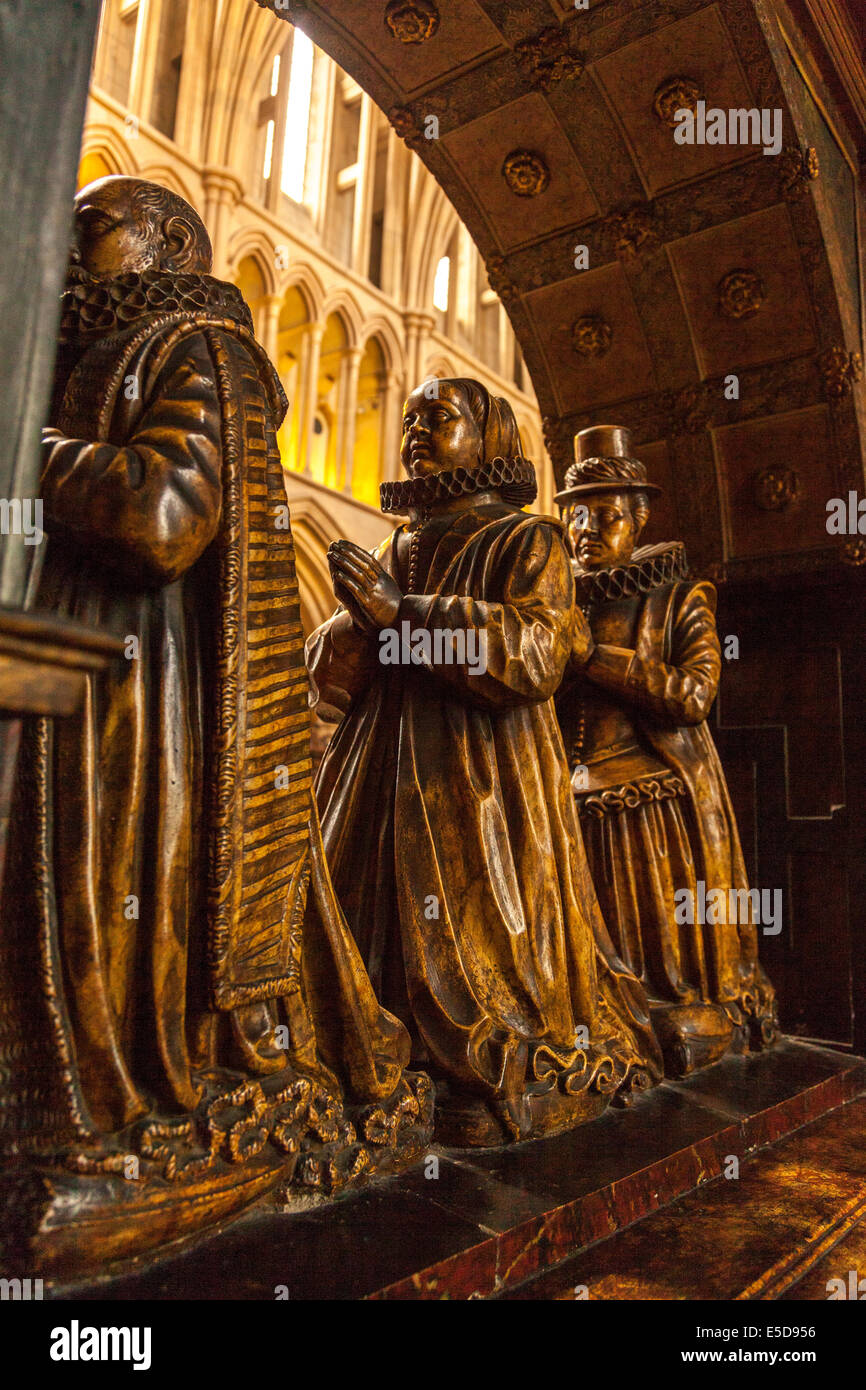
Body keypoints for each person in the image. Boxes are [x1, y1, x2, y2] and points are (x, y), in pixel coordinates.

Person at [0, 177, 416, 1161]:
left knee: (98, 899)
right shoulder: (81, 346)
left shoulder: (201, 346)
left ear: (167, 242)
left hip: (147, 687)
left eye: (93, 227)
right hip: (64, 652)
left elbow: (163, 516)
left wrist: (28, 447)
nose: (67, 241)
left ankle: (127, 1097)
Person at [306, 378, 662, 1145]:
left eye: (440, 418)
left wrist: (403, 614)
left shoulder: (528, 540)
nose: (417, 430)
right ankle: (366, 1051)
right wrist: (348, 629)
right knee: (354, 931)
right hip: (377, 768)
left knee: (473, 942)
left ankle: (485, 1063)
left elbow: (534, 653)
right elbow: (335, 674)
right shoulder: (391, 543)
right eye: (409, 418)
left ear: (490, 435)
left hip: (479, 777)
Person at [554, 425, 777, 1075]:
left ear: (638, 518)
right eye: (577, 514)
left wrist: (594, 658)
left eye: (606, 514)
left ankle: (677, 1008)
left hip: (647, 802)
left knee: (657, 958)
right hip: (564, 801)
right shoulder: (556, 600)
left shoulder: (678, 597)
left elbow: (692, 695)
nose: (588, 528)